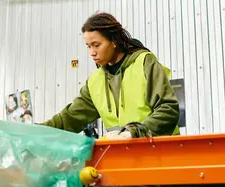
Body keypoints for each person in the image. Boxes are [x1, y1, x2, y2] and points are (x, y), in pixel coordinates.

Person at [43, 12, 179, 138]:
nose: (92, 52)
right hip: (123, 155)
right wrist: (34, 131)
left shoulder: (144, 63)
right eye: (88, 46)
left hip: (160, 152)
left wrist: (133, 132)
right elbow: (69, 119)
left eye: (96, 45)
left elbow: (168, 109)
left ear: (114, 41)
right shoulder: (95, 81)